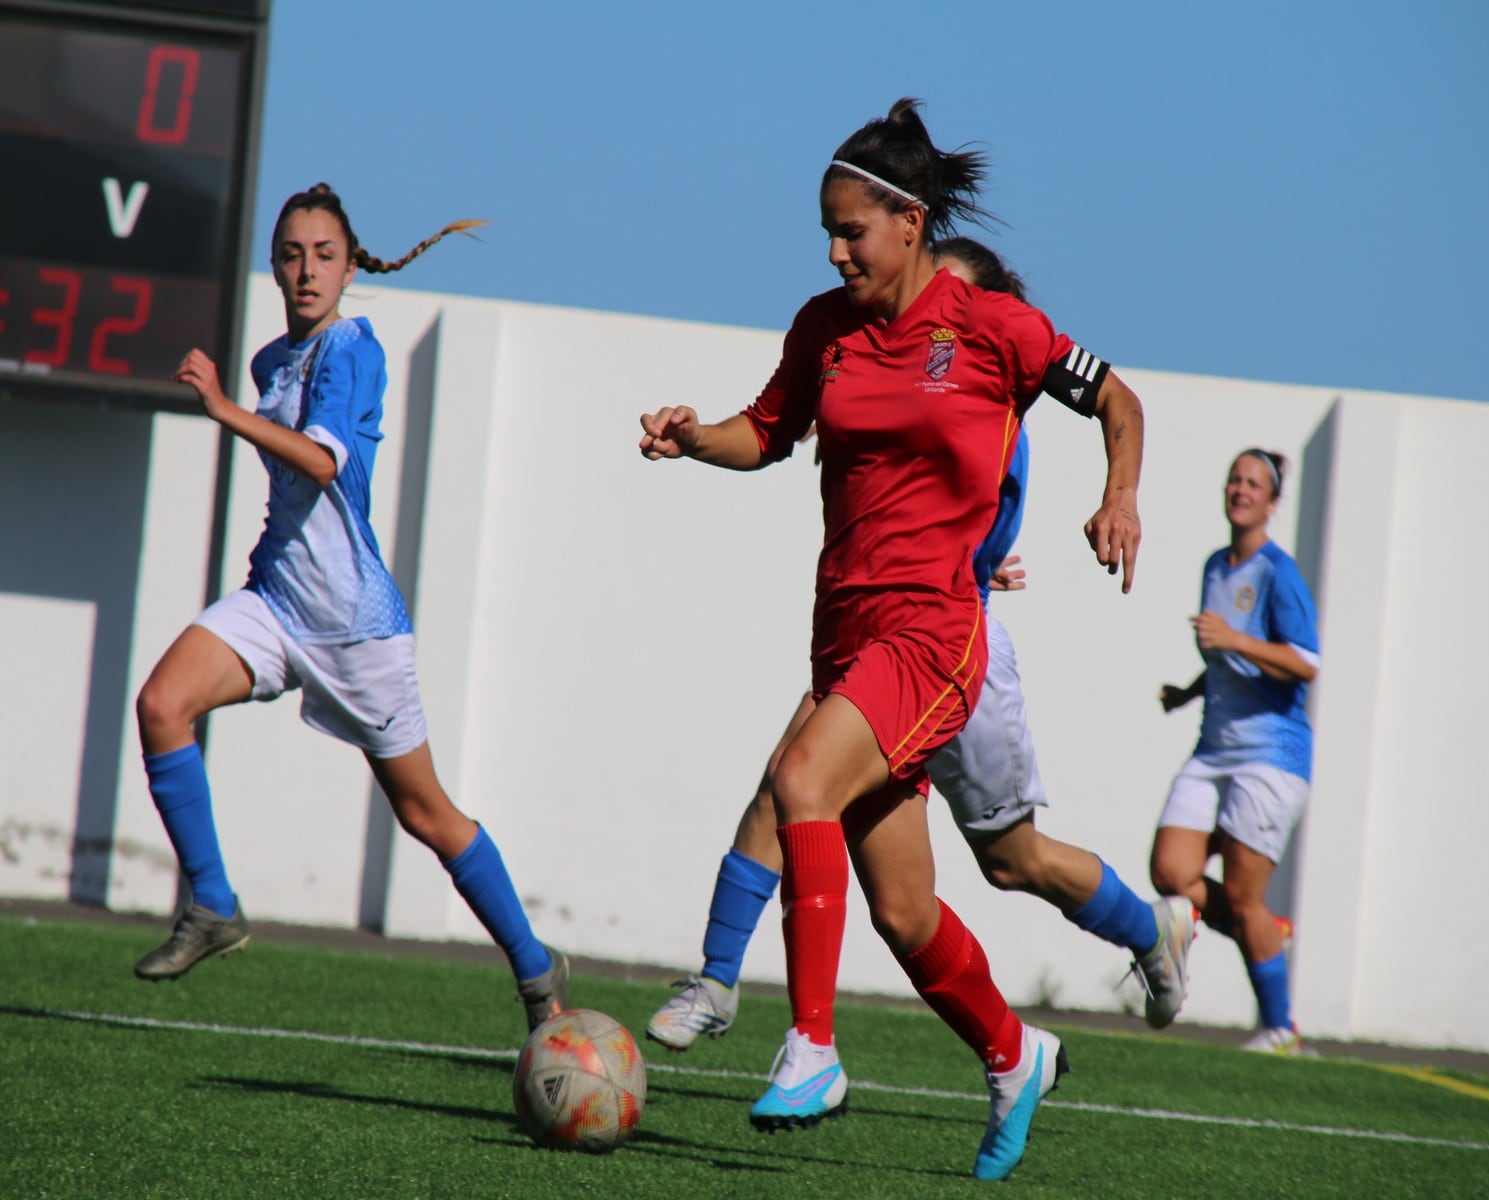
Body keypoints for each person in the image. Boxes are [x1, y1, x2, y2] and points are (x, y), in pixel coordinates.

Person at [638, 100, 1146, 1182]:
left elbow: (1115, 399)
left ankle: (811, 1045)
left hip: (934, 632)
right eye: (824, 231)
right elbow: (765, 434)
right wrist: (693, 441)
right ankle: (1016, 1056)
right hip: (845, 630)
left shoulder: (996, 329)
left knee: (797, 780)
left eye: (850, 230)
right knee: (906, 916)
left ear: (908, 223)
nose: (833, 250)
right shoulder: (823, 327)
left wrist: (1120, 498)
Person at [133, 184, 566, 1033]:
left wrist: (222, 412)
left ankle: (534, 969)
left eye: (323, 255)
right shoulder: (269, 362)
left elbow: (325, 465)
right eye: (290, 254)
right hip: (276, 602)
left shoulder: (353, 349)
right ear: (274, 266)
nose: (305, 270)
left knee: (427, 815)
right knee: (161, 705)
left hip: (354, 624)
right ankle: (212, 905)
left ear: (349, 265)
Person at [1149, 449, 1320, 1055]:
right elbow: (1226, 657)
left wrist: (1235, 637)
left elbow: (1306, 663)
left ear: (1272, 503)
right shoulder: (1214, 567)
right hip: (1213, 748)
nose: (1240, 489)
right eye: (1235, 479)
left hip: (1269, 756)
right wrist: (1188, 690)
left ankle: (1281, 1030)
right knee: (1171, 873)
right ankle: (1268, 933)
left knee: (1242, 896)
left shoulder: (1279, 573)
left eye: (1254, 483)